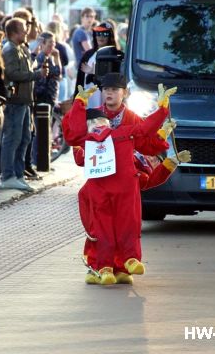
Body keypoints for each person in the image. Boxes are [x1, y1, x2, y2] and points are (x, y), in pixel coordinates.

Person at [63, 83, 176, 285]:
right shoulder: (101, 138)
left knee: (119, 225)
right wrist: (162, 108)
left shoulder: (103, 137)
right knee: (114, 226)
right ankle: (113, 265)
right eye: (95, 122)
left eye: (101, 121)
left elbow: (145, 130)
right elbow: (73, 136)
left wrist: (162, 113)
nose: (99, 125)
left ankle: (121, 264)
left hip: (111, 189)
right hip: (109, 189)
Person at [0, 18, 48, 191]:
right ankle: (8, 175)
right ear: (13, 32)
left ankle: (18, 174)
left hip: (24, 101)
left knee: (24, 137)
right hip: (15, 101)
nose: (26, 32)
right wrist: (36, 75)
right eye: (22, 29)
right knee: (13, 138)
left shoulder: (20, 49)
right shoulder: (10, 50)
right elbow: (12, 73)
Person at [31, 31, 62, 166]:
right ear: (42, 44)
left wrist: (57, 56)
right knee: (40, 131)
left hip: (49, 98)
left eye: (54, 44)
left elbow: (58, 73)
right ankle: (37, 160)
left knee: (45, 130)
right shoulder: (41, 57)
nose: (52, 47)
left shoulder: (50, 57)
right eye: (50, 44)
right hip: (42, 98)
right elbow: (55, 73)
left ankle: (43, 160)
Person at [75, 21, 120, 108]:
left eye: (105, 34)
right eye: (98, 33)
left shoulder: (117, 55)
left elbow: (117, 77)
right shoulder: (88, 55)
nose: (101, 37)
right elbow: (79, 81)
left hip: (108, 103)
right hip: (88, 103)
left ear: (110, 36)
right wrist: (76, 102)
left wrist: (94, 71)